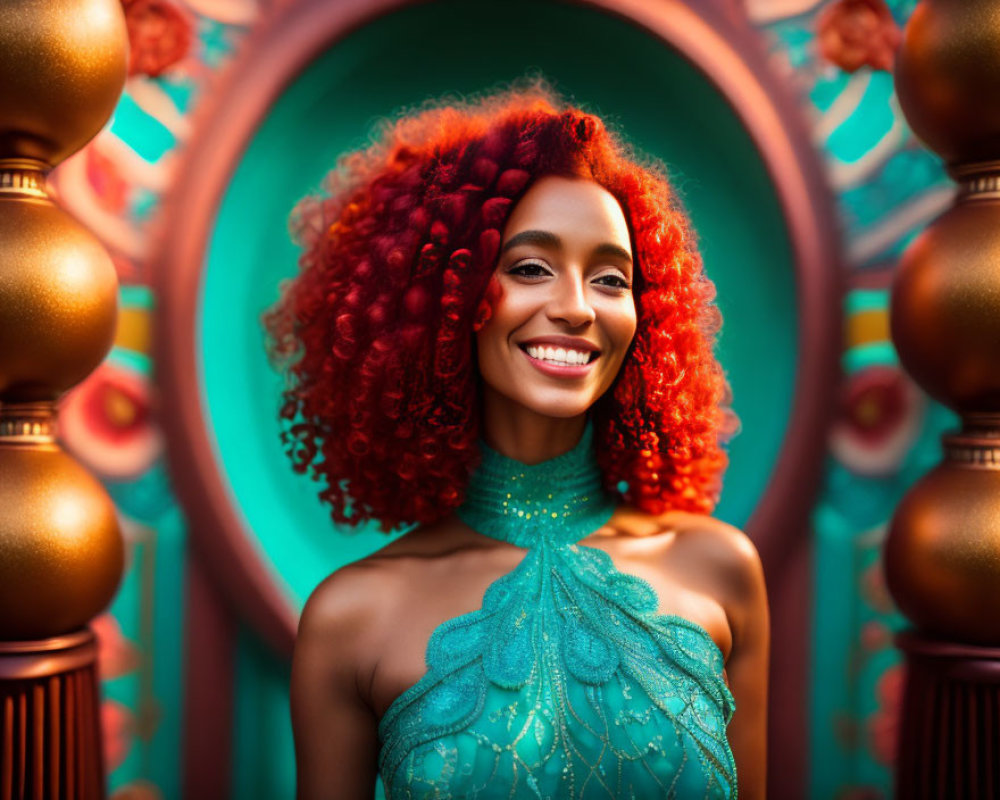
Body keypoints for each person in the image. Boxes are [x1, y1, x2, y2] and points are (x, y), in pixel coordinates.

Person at [263, 85, 769, 800]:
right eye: (530, 267)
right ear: (441, 294)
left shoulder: (721, 569)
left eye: (611, 277)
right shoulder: (351, 618)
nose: (575, 307)